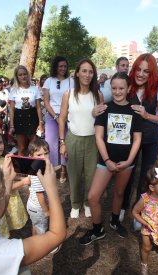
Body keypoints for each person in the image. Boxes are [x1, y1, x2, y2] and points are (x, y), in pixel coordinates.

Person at [79, 72, 142, 245]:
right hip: (105, 161)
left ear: (128, 88)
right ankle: (97, 229)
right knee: (93, 197)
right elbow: (99, 137)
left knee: (119, 192)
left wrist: (129, 161)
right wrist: (107, 161)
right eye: (114, 88)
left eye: (121, 88)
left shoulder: (135, 111)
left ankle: (115, 221)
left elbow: (137, 139)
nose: (118, 91)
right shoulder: (104, 109)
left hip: (126, 162)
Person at [120, 53, 158, 226]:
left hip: (150, 138)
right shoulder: (127, 85)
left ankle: (138, 210)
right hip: (129, 139)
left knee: (146, 176)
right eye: (138, 69)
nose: (141, 74)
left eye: (146, 71)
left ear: (152, 73)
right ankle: (123, 207)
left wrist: (147, 115)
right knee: (128, 173)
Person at [59, 58, 103, 218]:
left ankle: (87, 203)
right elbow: (62, 118)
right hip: (74, 139)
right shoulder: (68, 94)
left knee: (91, 175)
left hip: (93, 141)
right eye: (84, 71)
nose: (87, 74)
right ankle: (75, 204)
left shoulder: (98, 95)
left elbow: (101, 121)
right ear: (77, 73)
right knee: (74, 174)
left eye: (90, 71)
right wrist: (62, 142)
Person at [42, 56, 74, 183]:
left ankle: (63, 170)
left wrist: (64, 117)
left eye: (65, 66)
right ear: (55, 67)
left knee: (65, 143)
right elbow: (46, 101)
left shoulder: (72, 81)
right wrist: (55, 116)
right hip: (52, 115)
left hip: (68, 116)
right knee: (50, 143)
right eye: (60, 66)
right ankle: (53, 167)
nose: (63, 68)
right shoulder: (49, 81)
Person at [8, 65, 44, 156]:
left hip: (32, 117)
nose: (23, 76)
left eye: (25, 74)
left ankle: (33, 167)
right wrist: (12, 125)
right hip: (19, 117)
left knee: (34, 146)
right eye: (20, 75)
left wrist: (40, 123)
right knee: (21, 147)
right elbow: (11, 109)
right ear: (17, 77)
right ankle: (22, 166)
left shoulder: (35, 89)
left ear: (28, 75)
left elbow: (38, 107)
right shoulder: (13, 90)